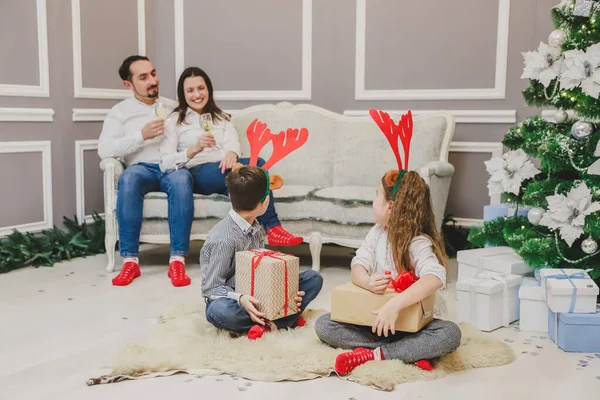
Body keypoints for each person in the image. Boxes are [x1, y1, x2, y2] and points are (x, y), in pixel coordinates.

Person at [314, 171, 461, 374]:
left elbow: (435, 278)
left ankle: (375, 354)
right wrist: (366, 281)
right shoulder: (376, 233)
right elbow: (358, 264)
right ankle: (408, 353)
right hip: (375, 323)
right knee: (324, 324)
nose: (373, 201)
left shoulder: (418, 242)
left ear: (390, 207)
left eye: (377, 195)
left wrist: (394, 306)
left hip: (412, 327)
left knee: (450, 334)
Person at [159, 66, 303, 246]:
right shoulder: (174, 121)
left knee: (256, 167)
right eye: (190, 90)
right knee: (255, 167)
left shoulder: (221, 118)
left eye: (201, 88)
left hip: (225, 171)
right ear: (183, 94)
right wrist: (194, 149)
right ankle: (273, 227)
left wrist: (232, 153)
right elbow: (165, 162)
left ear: (209, 90)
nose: (197, 94)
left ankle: (264, 234)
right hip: (198, 172)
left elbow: (232, 142)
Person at [98, 55, 194, 287]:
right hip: (142, 169)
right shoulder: (120, 112)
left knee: (183, 180)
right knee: (129, 178)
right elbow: (105, 149)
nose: (153, 80)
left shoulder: (173, 107)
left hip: (172, 167)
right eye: (143, 77)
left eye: (153, 73)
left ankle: (178, 261)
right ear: (128, 84)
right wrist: (141, 136)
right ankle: (130, 261)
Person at [200, 164, 323, 340]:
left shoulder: (256, 227)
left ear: (229, 196)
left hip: (260, 293)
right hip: (233, 299)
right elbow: (210, 288)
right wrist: (241, 298)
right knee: (220, 312)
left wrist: (287, 292)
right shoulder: (223, 239)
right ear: (264, 203)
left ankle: (271, 321)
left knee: (313, 278)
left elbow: (262, 269)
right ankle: (280, 321)